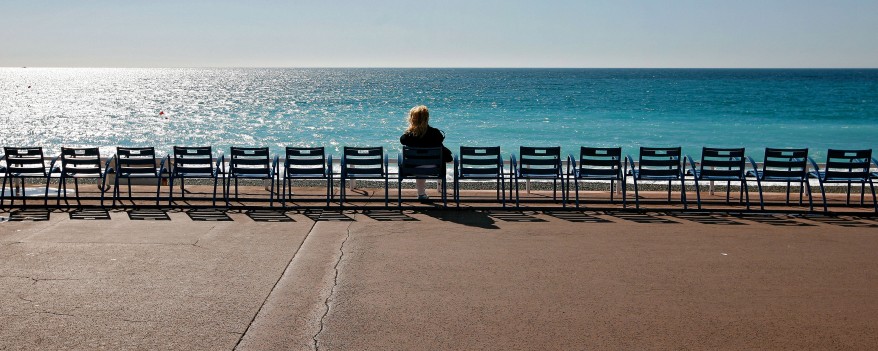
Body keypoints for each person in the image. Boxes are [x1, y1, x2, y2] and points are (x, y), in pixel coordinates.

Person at [400, 105, 451, 201]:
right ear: (427, 118)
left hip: (413, 168)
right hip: (435, 168)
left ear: (412, 119)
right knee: (424, 163)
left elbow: (402, 140)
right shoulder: (436, 133)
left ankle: (421, 194)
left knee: (420, 164)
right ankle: (423, 194)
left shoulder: (408, 136)